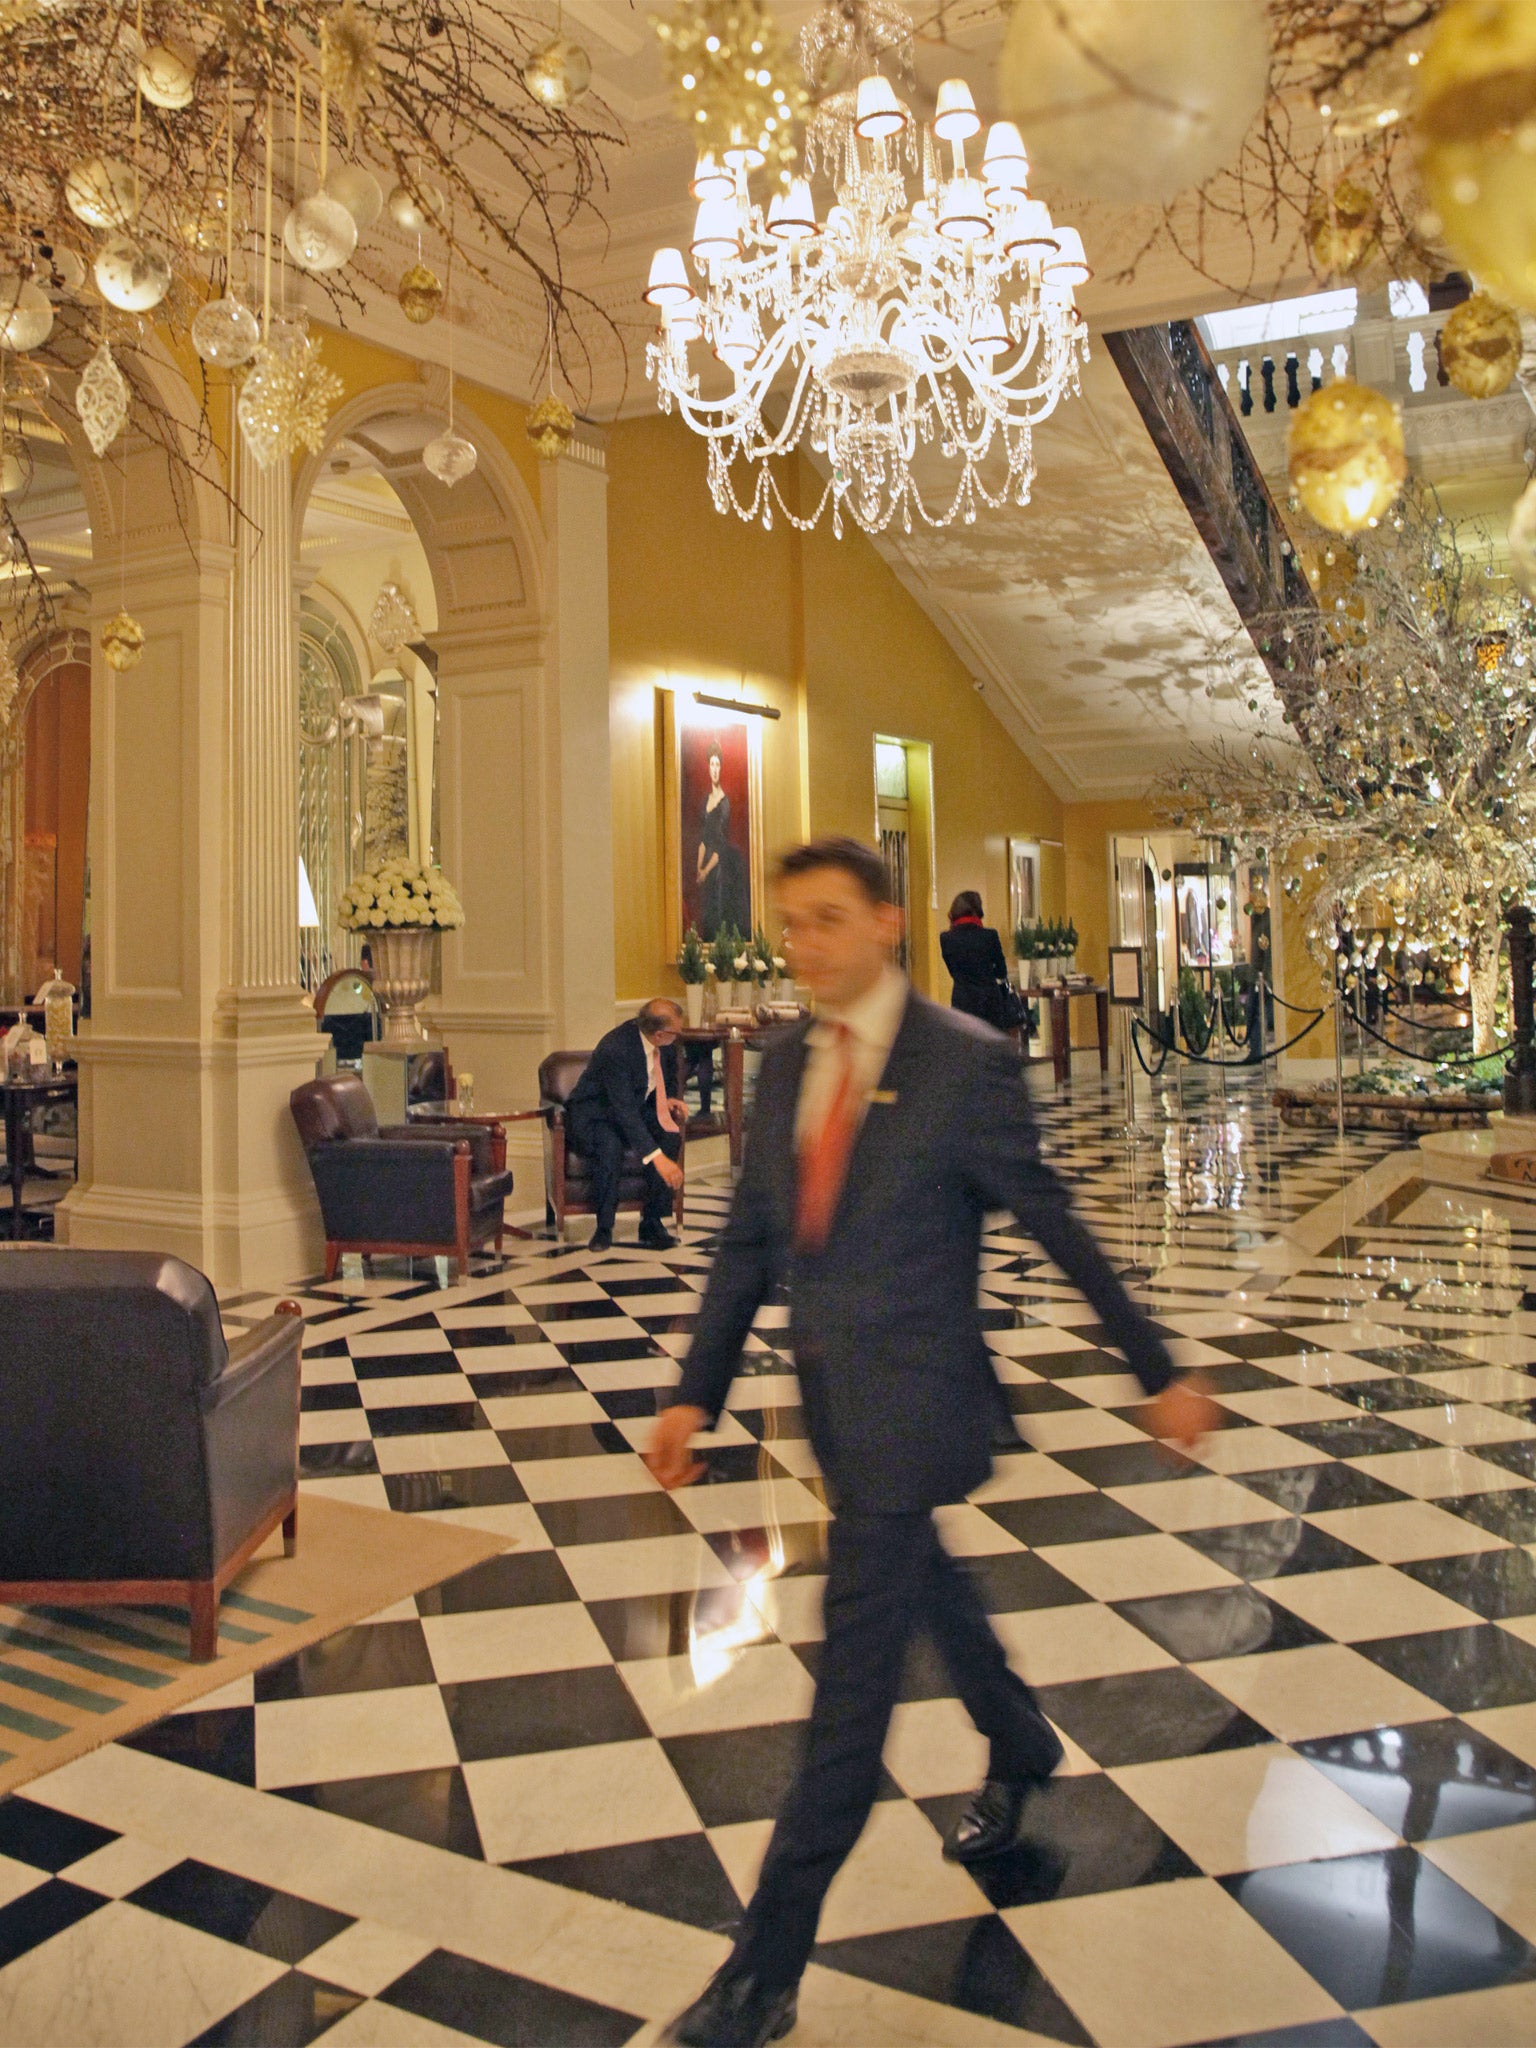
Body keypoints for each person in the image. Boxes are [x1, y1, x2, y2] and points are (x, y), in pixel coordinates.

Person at [648, 836, 1218, 2048]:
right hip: (834, 1408)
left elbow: (1057, 1223)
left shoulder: (965, 1066)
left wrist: (1159, 1368)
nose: (802, 944)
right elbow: (751, 1242)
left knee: (848, 1700)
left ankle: (764, 1970)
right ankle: (1018, 1737)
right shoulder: (786, 1052)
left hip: (917, 1405)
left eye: (826, 920)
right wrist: (695, 1393)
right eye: (791, 922)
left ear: (889, 924)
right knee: (931, 1588)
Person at [565, 998, 688, 1253]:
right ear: (659, 1034)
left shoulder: (664, 1045)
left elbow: (667, 1075)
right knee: (610, 1146)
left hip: (632, 1107)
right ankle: (604, 1228)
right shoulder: (616, 1049)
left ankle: (652, 1222)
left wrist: (670, 1098)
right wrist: (657, 1158)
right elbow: (623, 1111)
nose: (678, 1038)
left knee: (669, 1136)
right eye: (675, 1033)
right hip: (595, 1112)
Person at [939, 889, 1016, 1032]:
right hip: (989, 1002)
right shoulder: (989, 936)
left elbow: (952, 971)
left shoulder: (946, 938)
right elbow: (1001, 972)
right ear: (976, 909)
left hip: (962, 1001)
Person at [697, 742, 751, 941]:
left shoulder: (724, 802)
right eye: (712, 764)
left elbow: (720, 843)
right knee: (706, 911)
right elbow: (703, 839)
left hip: (720, 865)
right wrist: (698, 866)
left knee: (719, 910)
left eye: (718, 764)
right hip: (706, 864)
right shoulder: (705, 801)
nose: (714, 769)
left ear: (721, 767)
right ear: (708, 767)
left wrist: (706, 869)